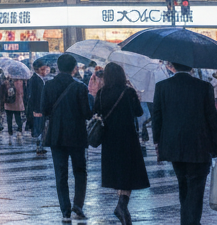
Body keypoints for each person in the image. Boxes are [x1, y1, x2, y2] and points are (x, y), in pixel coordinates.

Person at [151, 62, 217, 225]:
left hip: (173, 145)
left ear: (172, 66)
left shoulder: (162, 86)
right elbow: (212, 118)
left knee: (183, 184)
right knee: (196, 188)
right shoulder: (204, 86)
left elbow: (157, 117)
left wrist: (158, 143)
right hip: (199, 144)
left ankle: (186, 221)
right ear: (191, 67)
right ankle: (191, 222)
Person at [96, 62, 149, 225]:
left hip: (109, 138)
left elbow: (96, 113)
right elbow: (139, 113)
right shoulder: (128, 92)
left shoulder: (101, 93)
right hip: (127, 137)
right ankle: (122, 204)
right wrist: (136, 99)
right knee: (128, 172)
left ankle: (121, 205)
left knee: (117, 172)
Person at [44, 54, 92, 222]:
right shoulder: (80, 87)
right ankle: (78, 204)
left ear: (58, 67)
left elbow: (44, 110)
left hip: (56, 135)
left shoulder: (48, 85)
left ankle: (65, 210)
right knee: (80, 171)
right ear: (74, 68)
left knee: (61, 173)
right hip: (77, 135)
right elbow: (87, 114)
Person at [29, 63, 49, 156]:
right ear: (38, 69)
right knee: (38, 126)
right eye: (43, 69)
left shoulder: (40, 79)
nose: (45, 71)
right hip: (37, 108)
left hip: (41, 107)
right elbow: (33, 96)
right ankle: (39, 146)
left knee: (41, 126)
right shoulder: (34, 79)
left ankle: (41, 146)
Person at [2, 70, 25, 136]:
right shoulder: (20, 82)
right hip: (17, 103)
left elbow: (4, 92)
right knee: (18, 117)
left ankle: (10, 131)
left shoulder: (7, 82)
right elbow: (22, 93)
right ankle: (19, 128)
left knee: (9, 118)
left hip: (8, 103)